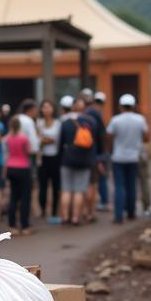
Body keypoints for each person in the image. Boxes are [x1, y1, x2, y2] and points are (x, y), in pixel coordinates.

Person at [106, 93, 149, 223]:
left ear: (120, 106)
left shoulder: (115, 120)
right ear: (134, 106)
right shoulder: (140, 119)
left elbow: (108, 136)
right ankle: (131, 212)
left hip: (118, 157)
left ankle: (118, 215)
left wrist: (112, 148)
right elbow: (147, 137)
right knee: (132, 185)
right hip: (134, 157)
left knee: (119, 186)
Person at [58, 96, 99, 226]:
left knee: (66, 190)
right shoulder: (91, 122)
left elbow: (60, 143)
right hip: (85, 161)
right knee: (79, 191)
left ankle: (65, 217)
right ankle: (76, 217)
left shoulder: (65, 123)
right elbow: (95, 142)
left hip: (67, 160)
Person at [4, 116, 33, 235]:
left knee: (13, 197)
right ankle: (25, 225)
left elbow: (7, 151)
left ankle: (12, 225)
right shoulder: (24, 138)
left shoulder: (7, 138)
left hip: (11, 167)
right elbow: (29, 151)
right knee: (25, 197)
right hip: (23, 168)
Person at [36, 99, 62, 224]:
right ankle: (43, 209)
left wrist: (43, 139)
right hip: (42, 158)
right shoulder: (39, 122)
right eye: (44, 107)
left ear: (53, 109)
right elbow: (37, 140)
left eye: (48, 107)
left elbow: (55, 139)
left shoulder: (58, 123)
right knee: (43, 186)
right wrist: (46, 139)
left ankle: (54, 211)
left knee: (56, 185)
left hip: (55, 158)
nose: (46, 109)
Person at [84, 91, 108, 219]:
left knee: (90, 181)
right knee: (97, 180)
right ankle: (101, 203)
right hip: (97, 153)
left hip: (90, 153)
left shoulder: (87, 115)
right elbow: (101, 136)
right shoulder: (96, 115)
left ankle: (90, 208)